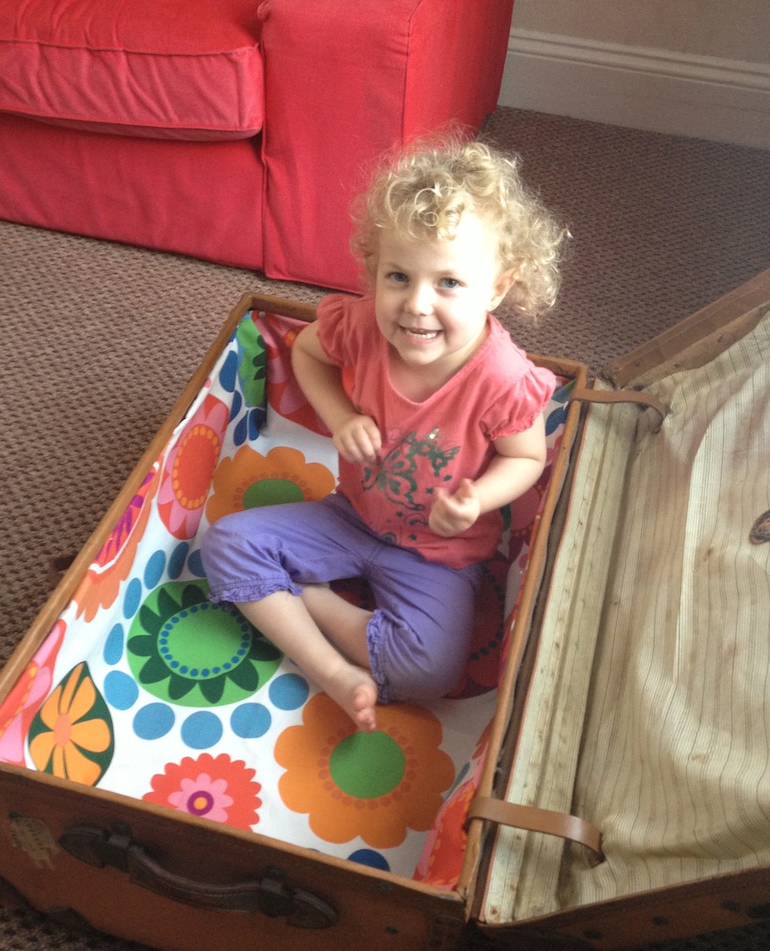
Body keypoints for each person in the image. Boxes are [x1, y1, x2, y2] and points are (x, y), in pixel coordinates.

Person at [201, 135, 565, 732]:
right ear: (375, 271)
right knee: (223, 543)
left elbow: (526, 458)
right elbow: (306, 353)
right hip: (352, 516)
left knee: (429, 671)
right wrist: (342, 418)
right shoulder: (362, 326)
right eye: (399, 276)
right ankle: (332, 671)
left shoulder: (502, 377)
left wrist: (478, 499)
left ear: (497, 288)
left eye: (449, 283)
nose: (416, 305)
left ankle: (311, 599)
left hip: (441, 555)